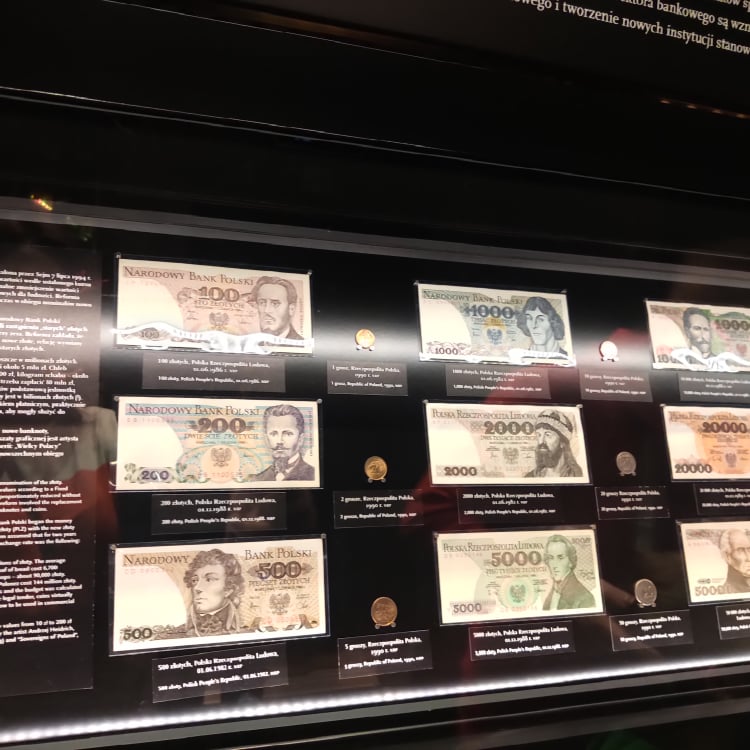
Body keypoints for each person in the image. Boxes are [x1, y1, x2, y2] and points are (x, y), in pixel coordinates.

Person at [183, 549, 244, 636]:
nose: (197, 588)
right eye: (194, 580)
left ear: (228, 589)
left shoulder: (246, 629)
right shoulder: (178, 633)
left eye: (209, 579)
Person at [254, 403, 315, 481]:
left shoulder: (314, 476)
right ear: (266, 439)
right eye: (273, 434)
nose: (279, 441)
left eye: (288, 434)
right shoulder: (258, 479)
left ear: (300, 439)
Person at [543, 534, 595, 610]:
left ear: (570, 561)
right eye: (551, 558)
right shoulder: (551, 594)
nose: (554, 564)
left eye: (560, 558)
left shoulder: (585, 598)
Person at [525, 409, 583, 478]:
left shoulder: (576, 476)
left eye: (548, 435)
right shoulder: (530, 477)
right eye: (539, 435)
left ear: (562, 442)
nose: (541, 441)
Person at [250, 276, 303, 340]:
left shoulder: (301, 343)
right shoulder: (250, 342)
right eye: (262, 303)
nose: (267, 310)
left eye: (275, 304)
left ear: (291, 309)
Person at [719, 528, 750, 594]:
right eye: (740, 550)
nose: (748, 558)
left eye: (749, 549)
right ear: (727, 556)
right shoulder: (725, 593)